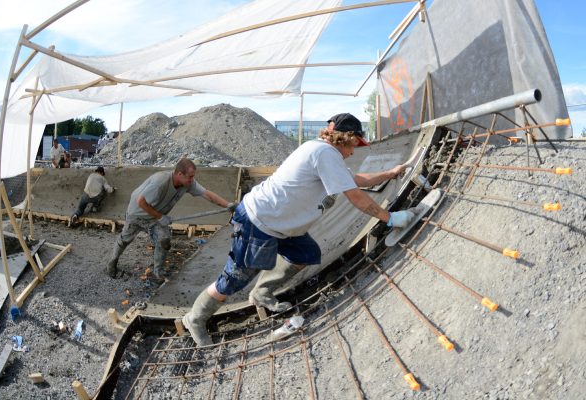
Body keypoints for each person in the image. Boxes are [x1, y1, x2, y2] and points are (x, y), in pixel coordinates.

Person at [181, 112, 416, 346]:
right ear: (345, 137)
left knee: (304, 254)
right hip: (259, 222)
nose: (354, 151)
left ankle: (262, 293)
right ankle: (195, 318)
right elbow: (356, 197)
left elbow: (357, 180)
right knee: (235, 278)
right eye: (354, 143)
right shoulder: (325, 153)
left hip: (281, 225)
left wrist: (390, 173)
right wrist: (390, 219)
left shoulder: (323, 152)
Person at [106, 158, 237, 280]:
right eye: (190, 176)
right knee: (125, 239)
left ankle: (157, 273)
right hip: (137, 213)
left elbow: (206, 193)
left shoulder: (187, 184)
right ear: (180, 174)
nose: (192, 180)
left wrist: (228, 204)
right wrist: (160, 217)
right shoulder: (160, 182)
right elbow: (141, 202)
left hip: (155, 217)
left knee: (164, 241)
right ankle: (111, 264)